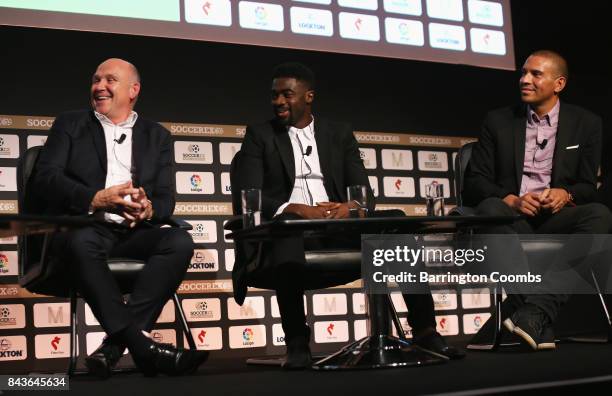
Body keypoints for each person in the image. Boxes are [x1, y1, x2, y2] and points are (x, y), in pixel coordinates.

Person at [233, 62, 464, 369]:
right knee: (288, 230)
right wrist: (294, 208)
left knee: (393, 222)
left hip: (336, 227)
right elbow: (250, 193)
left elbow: (363, 193)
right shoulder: (259, 135)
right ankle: (297, 343)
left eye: (287, 95)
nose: (278, 102)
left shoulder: (338, 133)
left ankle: (425, 331)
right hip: (289, 234)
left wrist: (350, 207)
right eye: (274, 95)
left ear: (308, 96)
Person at [29, 58, 208, 377]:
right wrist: (95, 198)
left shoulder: (158, 136)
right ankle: (144, 350)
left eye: (110, 80)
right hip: (85, 228)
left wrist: (150, 207)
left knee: (178, 241)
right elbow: (45, 178)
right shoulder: (70, 124)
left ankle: (114, 347)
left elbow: (167, 199)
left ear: (133, 90)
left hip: (134, 231)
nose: (99, 86)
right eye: (96, 80)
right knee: (81, 240)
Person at [464, 50, 612, 350]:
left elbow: (587, 186)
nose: (524, 80)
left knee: (599, 213)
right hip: (512, 218)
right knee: (490, 208)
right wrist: (513, 200)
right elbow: (475, 182)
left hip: (555, 217)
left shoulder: (587, 123)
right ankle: (535, 317)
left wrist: (565, 193)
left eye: (535, 74)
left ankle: (534, 311)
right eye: (523, 73)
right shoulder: (498, 121)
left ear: (558, 84)